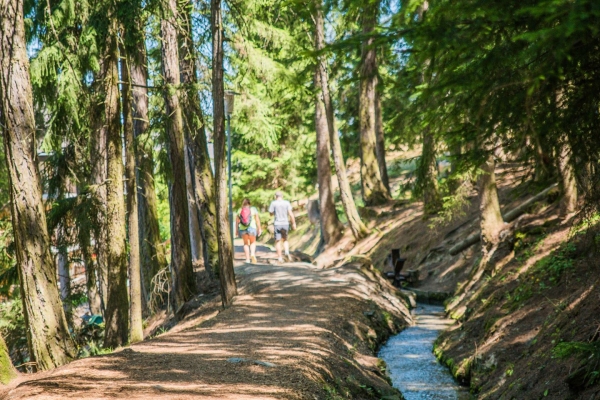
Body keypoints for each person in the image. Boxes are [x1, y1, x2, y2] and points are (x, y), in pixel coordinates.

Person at [269, 191, 296, 263]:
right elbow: (291, 214)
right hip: (285, 223)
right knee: (285, 239)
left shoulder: (273, 203)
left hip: (277, 224)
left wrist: (274, 212)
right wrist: (293, 223)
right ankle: (287, 252)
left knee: (277, 241)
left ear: (275, 196)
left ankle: (280, 257)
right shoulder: (287, 203)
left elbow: (271, 213)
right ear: (282, 196)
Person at [236, 198, 262, 263]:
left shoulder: (239, 210)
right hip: (252, 228)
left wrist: (236, 230)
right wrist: (259, 228)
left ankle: (247, 259)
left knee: (245, 243)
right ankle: (252, 254)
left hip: (242, 229)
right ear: (250, 203)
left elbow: (237, 222)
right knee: (252, 242)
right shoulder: (253, 209)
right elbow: (257, 220)